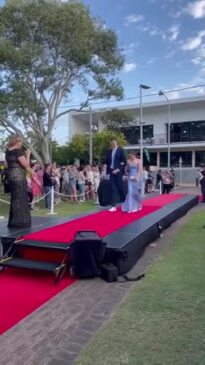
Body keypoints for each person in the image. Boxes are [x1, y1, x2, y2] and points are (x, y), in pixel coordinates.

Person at [5, 135, 31, 228]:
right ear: (18, 142)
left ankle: (14, 220)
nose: (21, 144)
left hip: (11, 176)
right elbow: (26, 164)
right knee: (21, 197)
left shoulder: (8, 152)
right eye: (21, 142)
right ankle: (21, 221)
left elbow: (6, 165)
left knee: (15, 198)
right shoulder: (18, 151)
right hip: (19, 176)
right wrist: (28, 155)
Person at [106, 138, 126, 212]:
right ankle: (113, 206)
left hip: (118, 172)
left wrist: (117, 169)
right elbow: (107, 163)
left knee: (120, 188)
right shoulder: (109, 151)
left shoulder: (120, 150)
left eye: (114, 143)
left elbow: (123, 162)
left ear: (116, 143)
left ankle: (125, 201)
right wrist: (107, 173)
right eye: (112, 143)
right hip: (111, 172)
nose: (113, 144)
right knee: (113, 188)